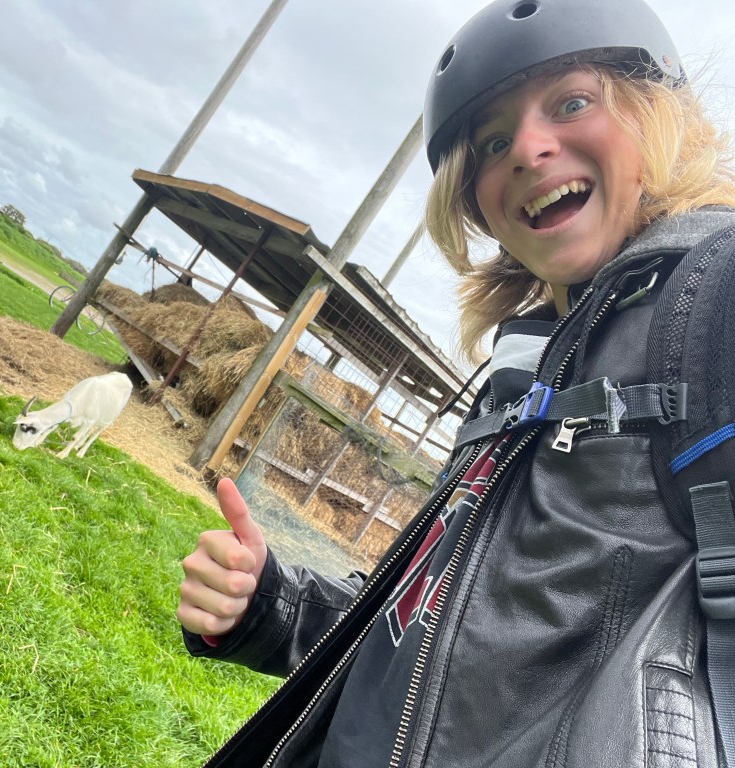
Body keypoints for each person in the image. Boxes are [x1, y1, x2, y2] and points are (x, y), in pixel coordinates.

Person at [176, 0, 735, 766]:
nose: (528, 149)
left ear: (658, 112)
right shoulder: (516, 372)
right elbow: (429, 638)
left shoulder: (715, 299)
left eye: (573, 102)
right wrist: (269, 605)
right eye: (493, 141)